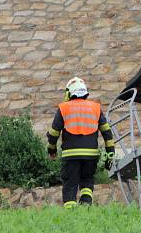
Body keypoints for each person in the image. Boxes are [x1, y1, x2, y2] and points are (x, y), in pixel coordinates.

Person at [46, 77, 115, 208]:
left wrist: (52, 150)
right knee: (87, 181)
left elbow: (54, 133)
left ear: (69, 92)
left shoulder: (64, 108)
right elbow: (107, 132)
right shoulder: (95, 108)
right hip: (91, 156)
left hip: (70, 155)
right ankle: (85, 207)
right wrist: (110, 155)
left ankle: (71, 214)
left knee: (70, 183)